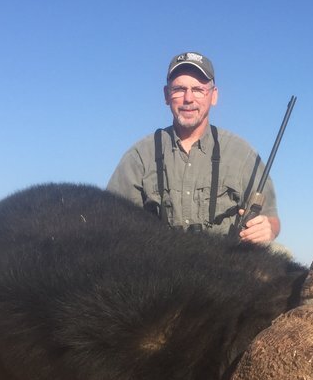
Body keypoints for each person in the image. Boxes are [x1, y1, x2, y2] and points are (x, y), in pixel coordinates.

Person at [107, 52, 280, 244]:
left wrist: (268, 229)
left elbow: (271, 218)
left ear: (213, 96)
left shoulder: (242, 154)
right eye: (179, 89)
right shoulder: (139, 156)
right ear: (166, 95)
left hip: (227, 266)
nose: (188, 98)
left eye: (198, 89)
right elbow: (111, 219)